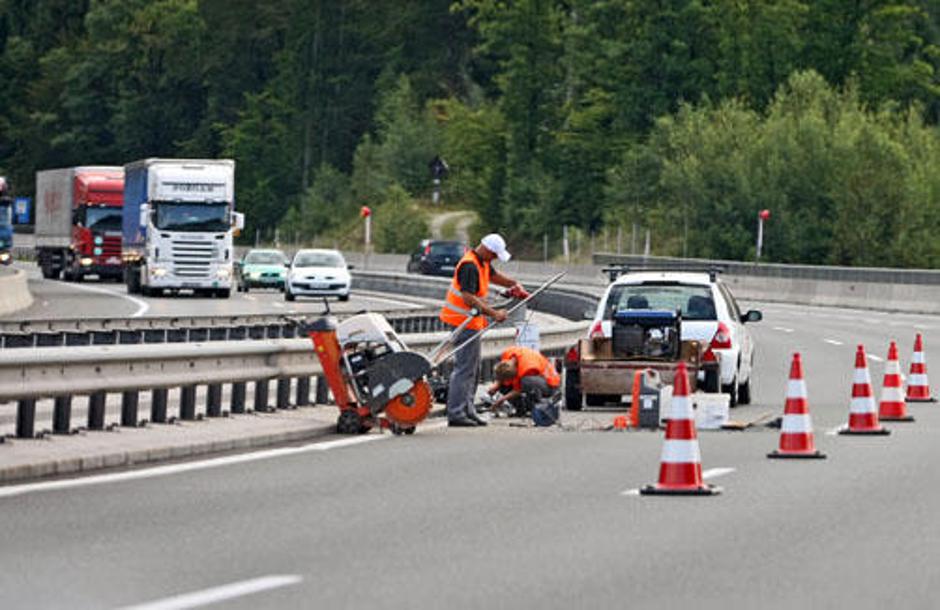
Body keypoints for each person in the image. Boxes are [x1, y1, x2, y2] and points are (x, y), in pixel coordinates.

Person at [440, 233, 527, 427]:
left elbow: (494, 277)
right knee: (464, 369)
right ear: (487, 250)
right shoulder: (469, 265)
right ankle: (456, 413)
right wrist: (494, 313)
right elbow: (468, 297)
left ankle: (468, 410)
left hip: (471, 323)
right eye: (494, 254)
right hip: (462, 322)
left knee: (473, 369)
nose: (495, 258)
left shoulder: (482, 262)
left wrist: (514, 284)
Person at [488, 346, 561, 419]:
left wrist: (501, 400)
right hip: (534, 378)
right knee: (504, 384)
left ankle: (537, 408)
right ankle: (521, 410)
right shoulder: (507, 355)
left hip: (550, 385)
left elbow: (517, 390)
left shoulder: (528, 368)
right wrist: (496, 385)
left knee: (526, 382)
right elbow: (501, 375)